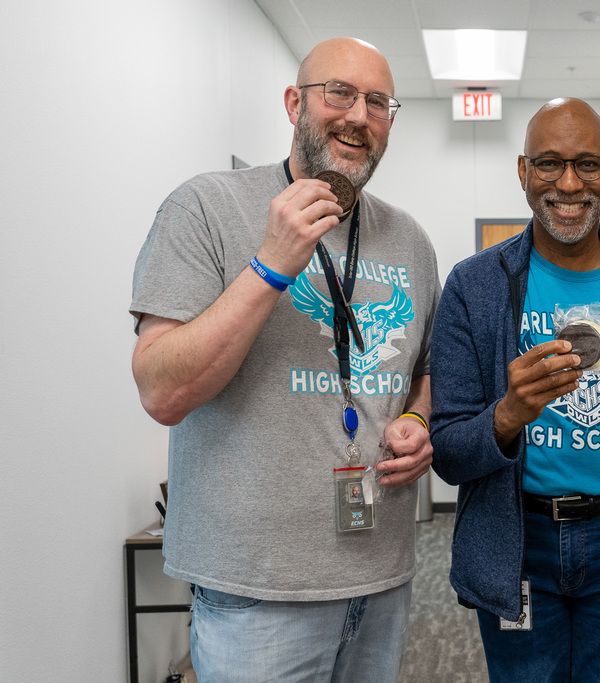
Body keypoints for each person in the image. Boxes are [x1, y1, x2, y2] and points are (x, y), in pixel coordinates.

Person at [130, 37, 439, 682]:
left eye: (379, 102)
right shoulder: (206, 207)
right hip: (254, 591)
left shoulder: (409, 239)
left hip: (381, 575)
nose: (359, 115)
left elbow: (421, 372)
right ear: (296, 102)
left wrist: (419, 422)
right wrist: (269, 266)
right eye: (340, 94)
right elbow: (161, 390)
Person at [430, 97, 600, 682]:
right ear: (523, 172)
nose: (570, 183)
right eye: (550, 164)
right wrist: (508, 414)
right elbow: (448, 454)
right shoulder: (474, 287)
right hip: (517, 542)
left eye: (588, 164)